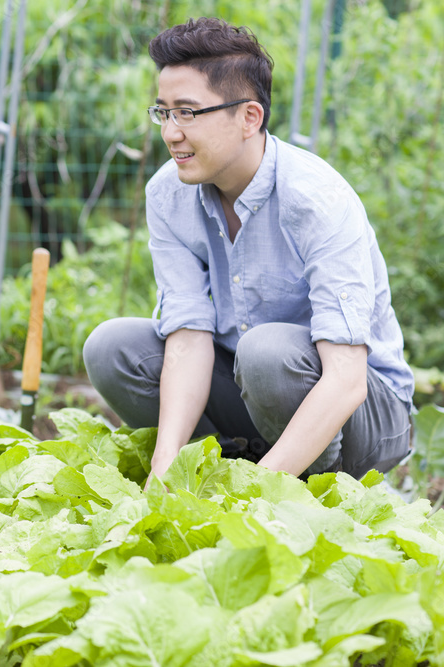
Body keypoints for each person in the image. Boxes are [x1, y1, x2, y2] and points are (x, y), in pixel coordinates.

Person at [83, 18, 413, 483]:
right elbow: (189, 337)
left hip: (364, 414)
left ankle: (314, 491)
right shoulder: (168, 194)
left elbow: (346, 379)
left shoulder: (316, 199)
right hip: (256, 389)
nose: (171, 133)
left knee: (265, 353)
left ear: (249, 117)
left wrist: (260, 493)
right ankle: (211, 482)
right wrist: (165, 470)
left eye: (188, 112)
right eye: (164, 112)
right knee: (113, 348)